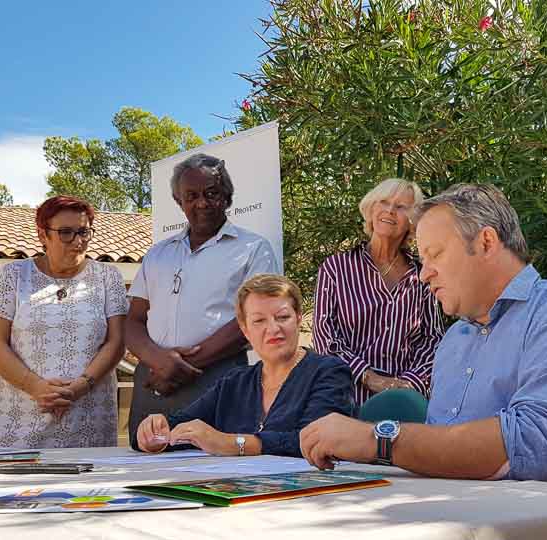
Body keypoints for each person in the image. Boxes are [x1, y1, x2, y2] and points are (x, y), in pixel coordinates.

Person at [300, 184, 547, 486]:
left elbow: (535, 451)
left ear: (486, 242)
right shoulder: (454, 340)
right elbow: (444, 459)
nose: (424, 274)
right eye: (422, 260)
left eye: (435, 254)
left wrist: (377, 439)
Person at [125, 154, 279, 447]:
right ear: (178, 200)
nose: (202, 203)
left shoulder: (254, 249)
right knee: (148, 465)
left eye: (212, 193)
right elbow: (133, 320)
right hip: (154, 381)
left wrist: (182, 366)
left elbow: (253, 318)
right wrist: (158, 361)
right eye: (191, 196)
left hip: (218, 379)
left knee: (214, 473)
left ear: (227, 197)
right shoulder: (158, 254)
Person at [135, 274, 353, 457]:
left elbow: (317, 441)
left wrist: (231, 443)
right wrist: (153, 433)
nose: (273, 328)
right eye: (259, 321)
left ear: (298, 319)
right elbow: (180, 426)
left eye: (283, 317)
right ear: (245, 330)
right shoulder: (235, 382)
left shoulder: (330, 372)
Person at [0, 195, 127, 448]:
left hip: (88, 417)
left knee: (88, 487)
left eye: (84, 232)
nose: (78, 242)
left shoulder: (108, 277)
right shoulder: (12, 276)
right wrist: (36, 386)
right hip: (22, 420)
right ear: (42, 235)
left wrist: (80, 387)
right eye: (66, 233)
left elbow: (117, 341)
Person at [314, 178, 444, 405]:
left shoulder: (422, 275)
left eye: (401, 207)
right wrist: (370, 378)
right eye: (383, 202)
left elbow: (432, 339)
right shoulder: (336, 268)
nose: (390, 211)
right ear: (371, 208)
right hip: (345, 399)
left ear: (412, 221)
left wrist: (406, 384)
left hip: (404, 404)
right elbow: (325, 338)